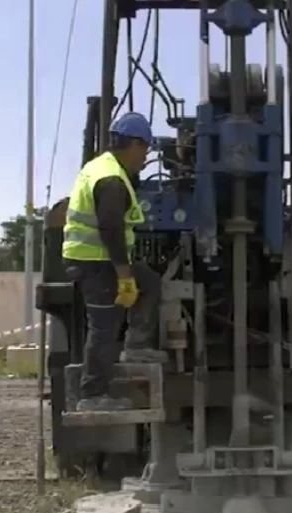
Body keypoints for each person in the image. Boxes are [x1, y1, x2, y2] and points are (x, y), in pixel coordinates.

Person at [63, 112, 167, 412]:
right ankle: (92, 395)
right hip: (96, 264)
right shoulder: (111, 180)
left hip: (95, 260)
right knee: (104, 327)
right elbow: (110, 227)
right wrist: (124, 275)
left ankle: (137, 347)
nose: (145, 158)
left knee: (148, 281)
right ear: (133, 144)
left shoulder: (102, 167)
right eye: (145, 149)